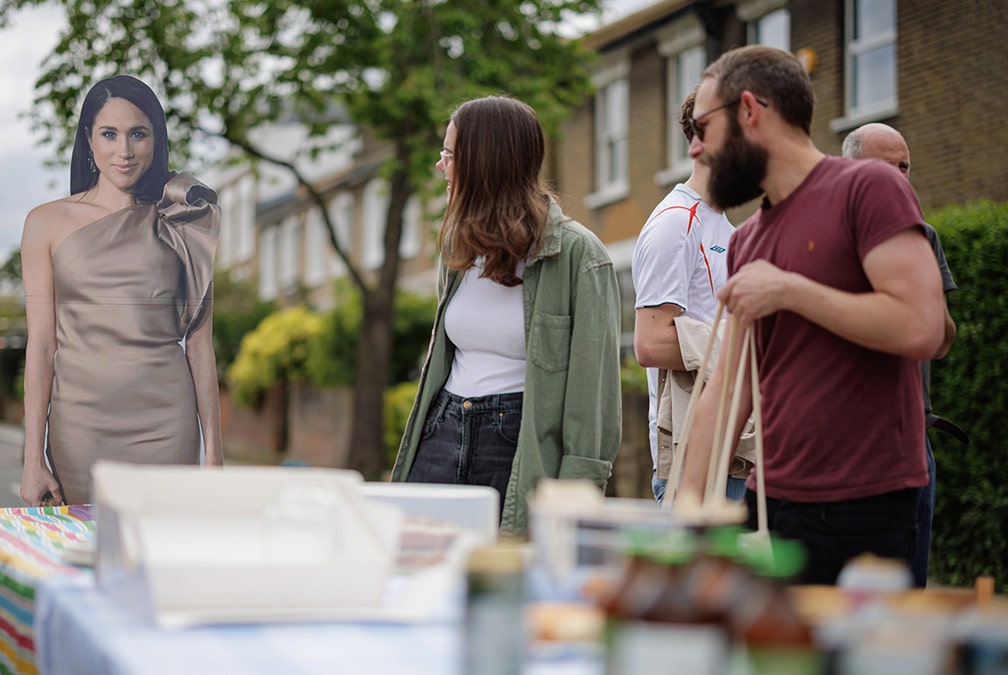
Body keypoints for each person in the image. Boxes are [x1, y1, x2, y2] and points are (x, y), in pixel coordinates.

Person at [676, 46, 946, 584]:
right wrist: (684, 518)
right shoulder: (748, 240)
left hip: (865, 506)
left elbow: (922, 325)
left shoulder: (868, 187)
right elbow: (727, 388)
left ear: (751, 110)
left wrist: (792, 291)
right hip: (770, 501)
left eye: (704, 127)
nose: (697, 148)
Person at [391, 95, 622, 533]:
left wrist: (579, 497)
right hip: (442, 430)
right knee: (422, 568)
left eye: (449, 154)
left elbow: (595, 399)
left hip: (517, 443)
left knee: (505, 586)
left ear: (485, 161)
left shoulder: (578, 255)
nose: (441, 166)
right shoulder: (456, 247)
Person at [19, 75, 224, 507]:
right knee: (89, 561)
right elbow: (41, 344)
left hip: (168, 422)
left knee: (166, 561)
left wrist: (215, 456)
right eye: (109, 134)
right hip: (80, 425)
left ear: (156, 139)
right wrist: (31, 458)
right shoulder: (44, 223)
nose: (124, 151)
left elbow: (201, 344)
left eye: (138, 134)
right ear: (88, 140)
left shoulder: (183, 219)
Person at [841, 122, 962, 587]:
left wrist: (921, 284)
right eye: (884, 167)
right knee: (848, 588)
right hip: (848, 441)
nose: (898, 178)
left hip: (913, 436)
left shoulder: (923, 237)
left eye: (904, 167)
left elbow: (942, 339)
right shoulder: (832, 234)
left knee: (908, 586)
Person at [633, 88, 749, 504]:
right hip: (692, 466)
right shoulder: (677, 223)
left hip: (734, 453)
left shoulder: (727, 227)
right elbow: (650, 342)